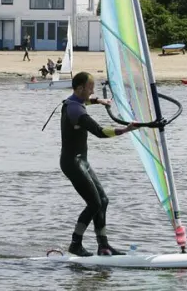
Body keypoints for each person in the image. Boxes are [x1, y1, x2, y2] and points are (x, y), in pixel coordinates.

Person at [59, 72, 143, 257]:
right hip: (72, 163)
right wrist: (126, 129)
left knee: (103, 201)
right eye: (90, 88)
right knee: (94, 203)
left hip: (82, 161)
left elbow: (85, 101)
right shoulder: (75, 111)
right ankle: (75, 244)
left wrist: (99, 101)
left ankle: (103, 246)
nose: (92, 91)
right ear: (80, 88)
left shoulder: (74, 102)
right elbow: (99, 131)